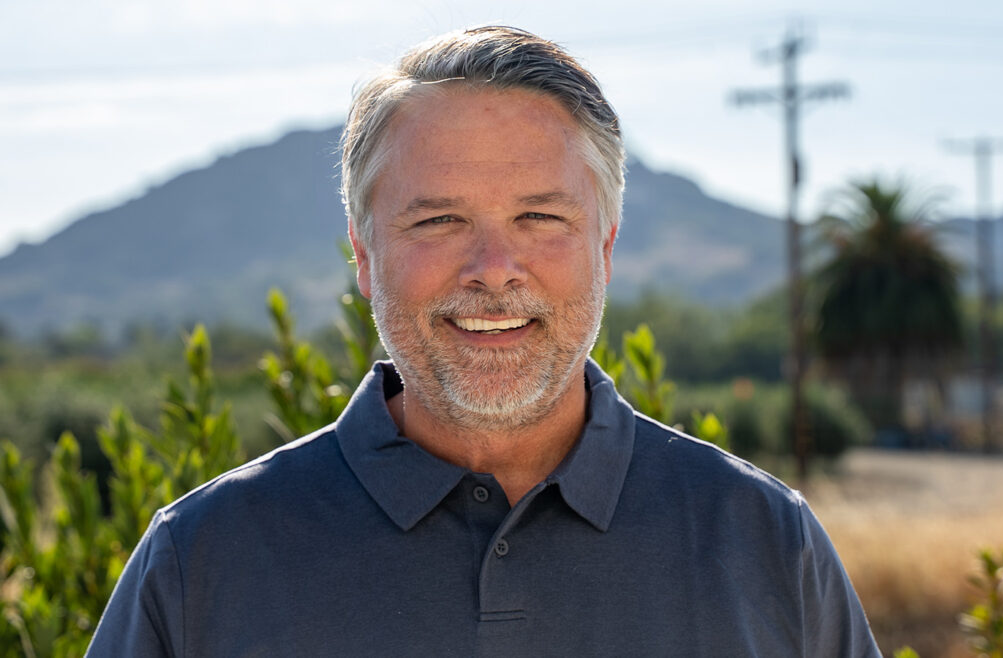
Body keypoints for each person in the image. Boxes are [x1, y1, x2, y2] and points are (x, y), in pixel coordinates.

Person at [87, 26, 881, 656]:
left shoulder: (766, 545)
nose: (494, 270)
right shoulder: (201, 563)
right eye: (439, 220)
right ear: (365, 258)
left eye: (540, 217)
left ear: (604, 247)